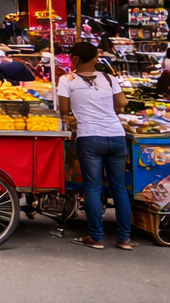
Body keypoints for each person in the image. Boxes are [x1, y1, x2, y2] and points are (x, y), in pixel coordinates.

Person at [57, 40, 133, 249]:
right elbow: (123, 103)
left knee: (92, 187)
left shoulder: (67, 79)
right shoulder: (109, 78)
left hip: (90, 137)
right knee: (119, 188)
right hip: (116, 136)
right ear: (95, 59)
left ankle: (96, 237)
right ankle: (124, 239)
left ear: (74, 58)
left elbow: (64, 109)